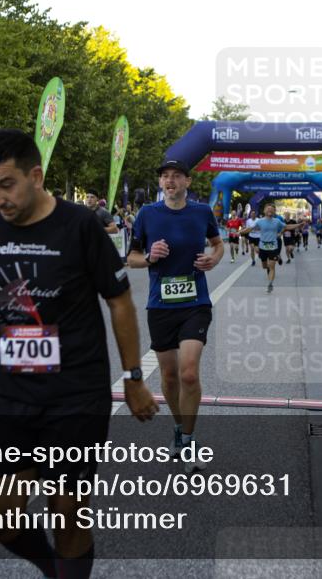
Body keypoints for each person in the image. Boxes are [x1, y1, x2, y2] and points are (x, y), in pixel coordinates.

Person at [0, 129, 158, 578]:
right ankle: (52, 570)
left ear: (36, 175)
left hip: (76, 393)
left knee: (67, 512)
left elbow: (119, 301)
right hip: (14, 391)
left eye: (6, 184)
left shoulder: (80, 225)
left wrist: (135, 378)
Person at [128, 159, 222, 472]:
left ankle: (191, 439)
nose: (170, 181)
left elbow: (218, 244)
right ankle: (180, 428)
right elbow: (132, 258)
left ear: (187, 182)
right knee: (168, 376)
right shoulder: (146, 214)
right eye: (165, 176)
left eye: (176, 176)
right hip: (160, 306)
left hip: (195, 303)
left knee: (189, 373)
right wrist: (149, 257)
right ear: (161, 184)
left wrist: (214, 259)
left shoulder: (201, 212)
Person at [243, 204, 303, 294]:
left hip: (273, 247)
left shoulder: (277, 221)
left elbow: (286, 227)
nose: (270, 210)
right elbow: (250, 229)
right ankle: (271, 265)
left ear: (274, 212)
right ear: (264, 211)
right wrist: (240, 232)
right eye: (268, 209)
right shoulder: (260, 221)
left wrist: (298, 225)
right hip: (263, 247)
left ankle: (270, 284)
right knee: (264, 266)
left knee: (272, 267)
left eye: (271, 209)